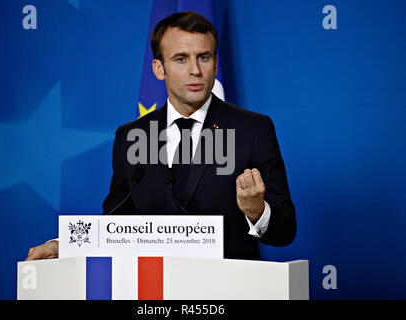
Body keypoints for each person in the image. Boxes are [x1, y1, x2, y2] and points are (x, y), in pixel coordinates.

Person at [26, 11, 296, 261]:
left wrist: (256, 210)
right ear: (159, 69)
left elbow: (285, 231)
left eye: (204, 57)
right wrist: (64, 245)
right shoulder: (132, 136)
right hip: (154, 291)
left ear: (215, 64)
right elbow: (115, 222)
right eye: (181, 59)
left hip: (228, 291)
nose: (195, 70)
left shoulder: (253, 129)